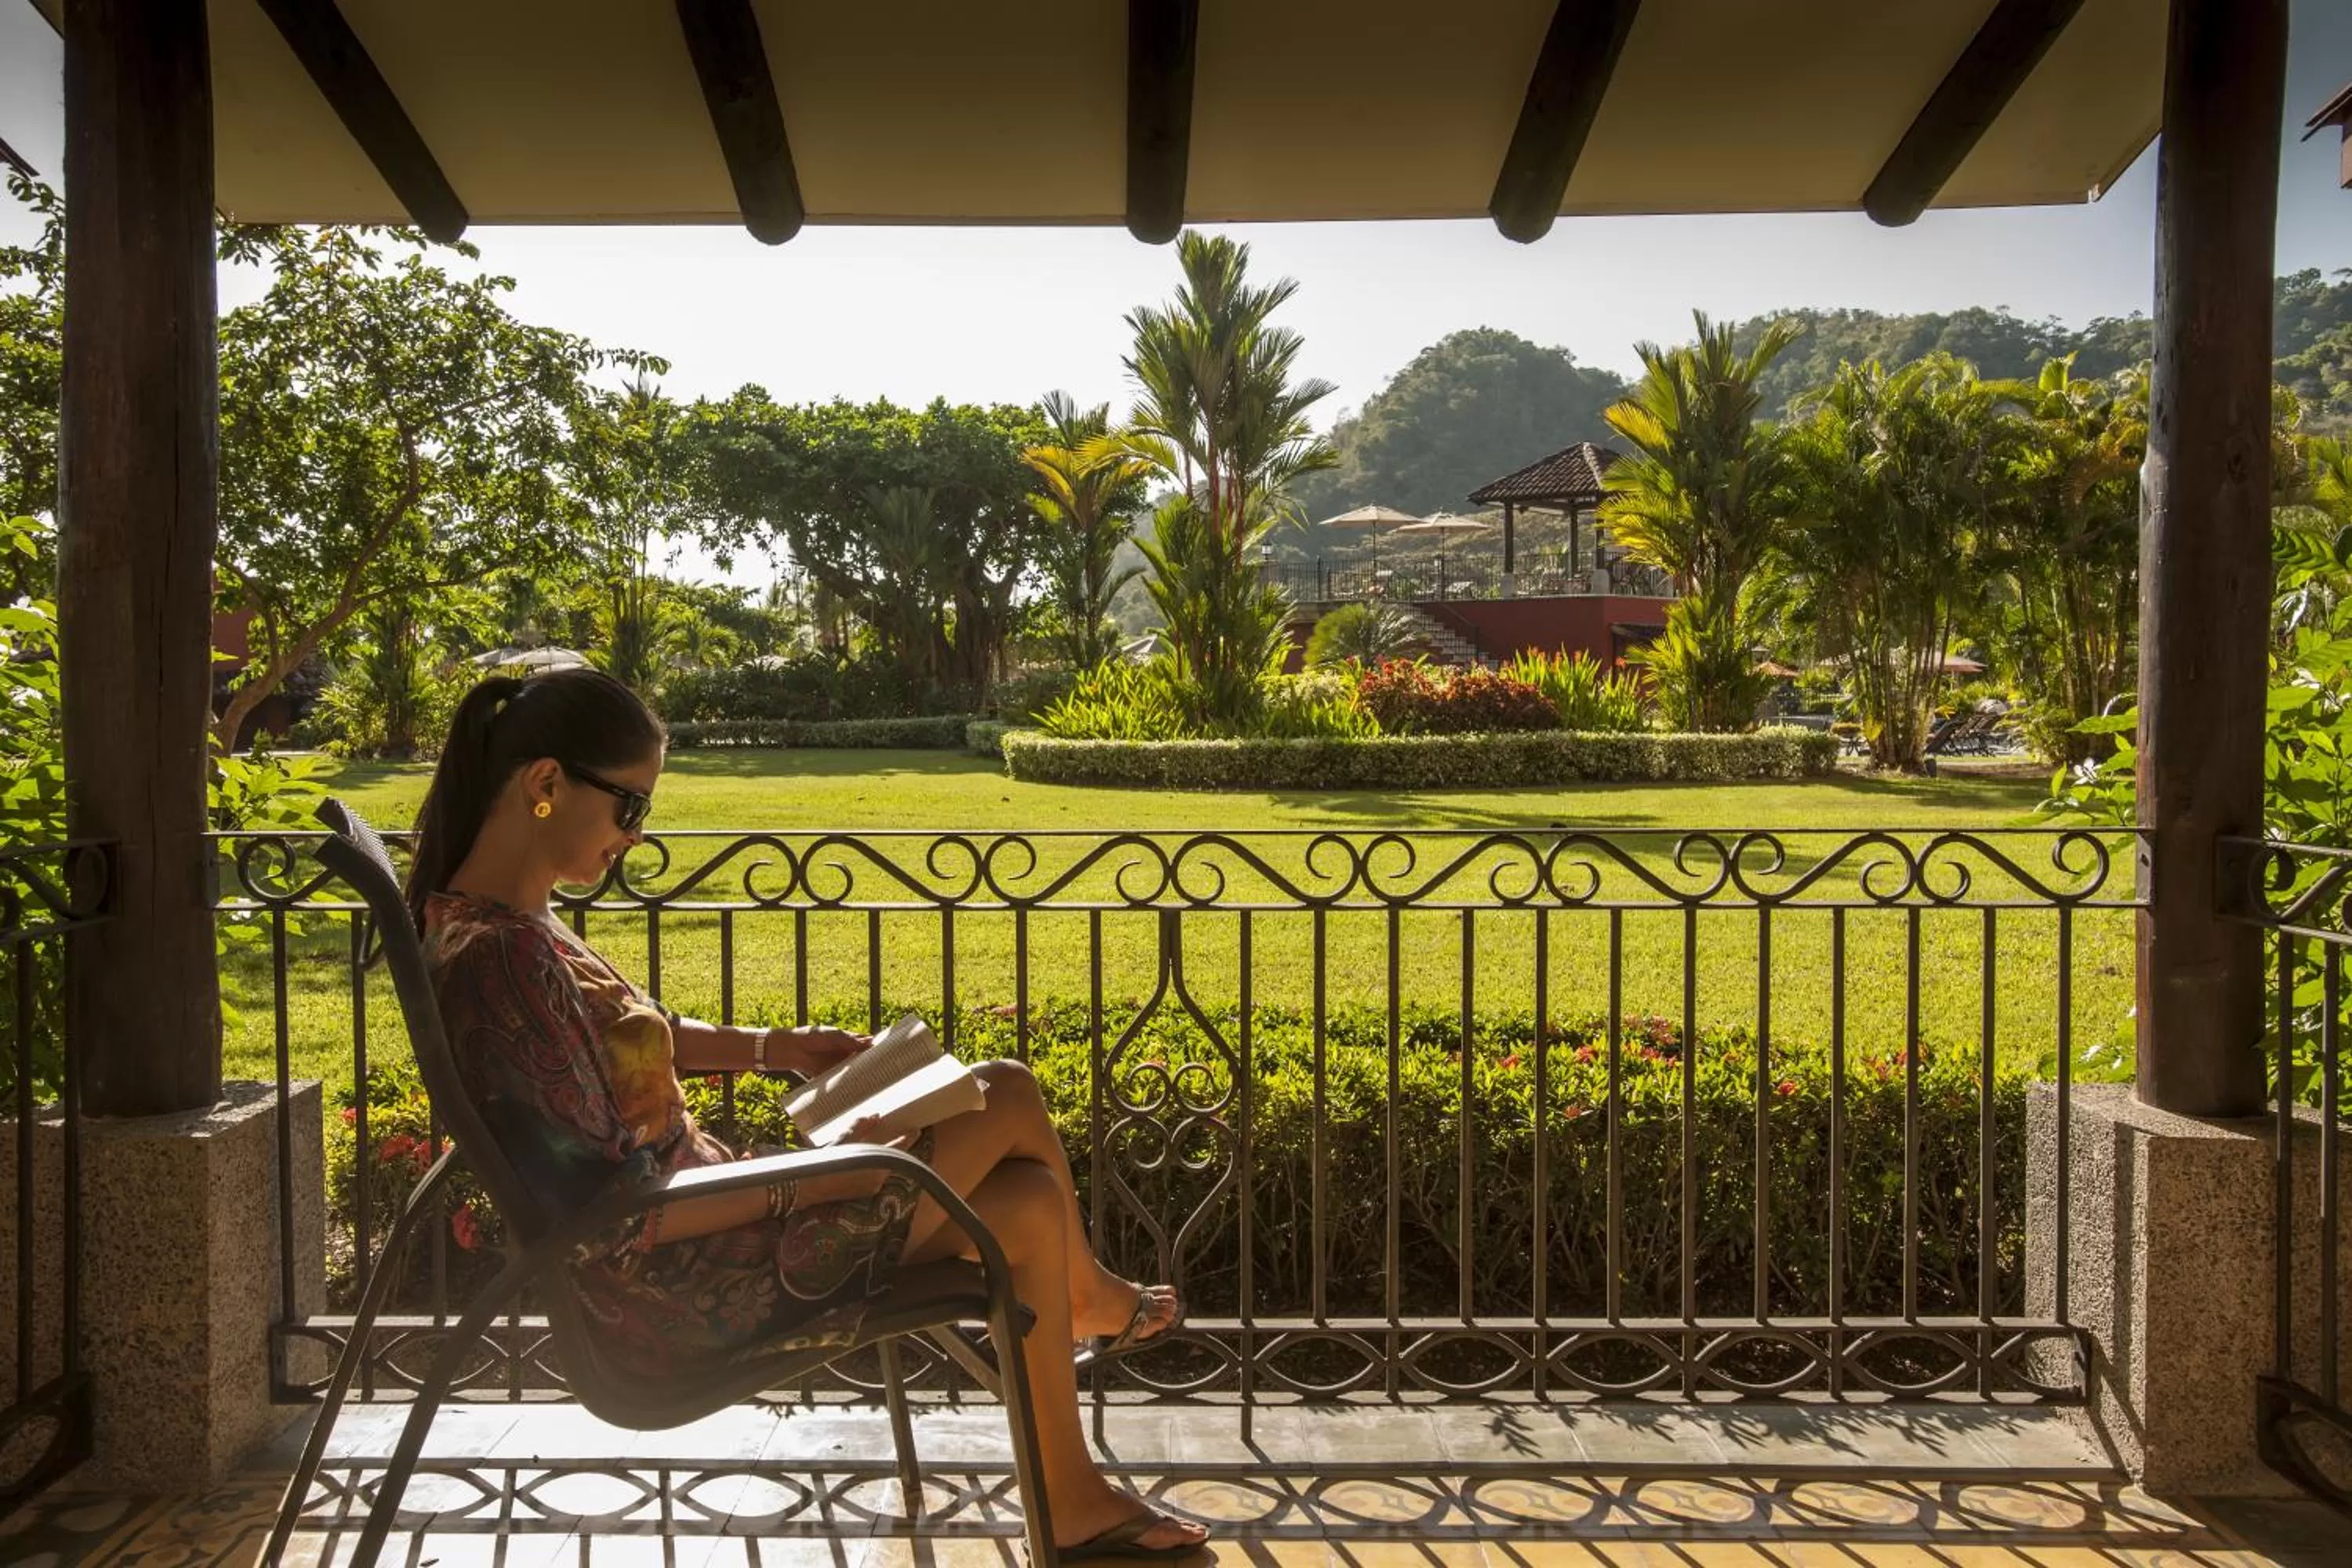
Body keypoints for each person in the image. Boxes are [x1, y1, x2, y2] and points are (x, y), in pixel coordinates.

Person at [406, 668, 1204, 1560]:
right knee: (1006, 1088)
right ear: (546, 783)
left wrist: (775, 1046)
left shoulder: (509, 921)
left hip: (703, 1245)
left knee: (1024, 1203)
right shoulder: (501, 961)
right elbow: (611, 1214)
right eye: (629, 806)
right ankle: (1095, 1299)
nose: (635, 836)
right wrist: (841, 1176)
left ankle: (1068, 1496)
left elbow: (630, 1040)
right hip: (679, 1295)